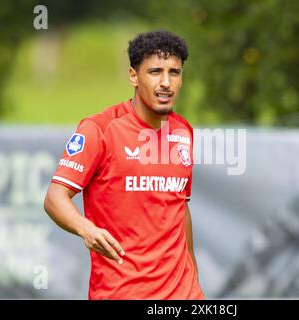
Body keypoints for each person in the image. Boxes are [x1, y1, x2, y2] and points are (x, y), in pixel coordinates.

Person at [44, 30, 205, 300]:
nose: (166, 82)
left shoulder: (183, 132)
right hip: (121, 293)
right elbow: (54, 198)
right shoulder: (99, 129)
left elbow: (180, 205)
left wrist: (195, 278)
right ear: (133, 76)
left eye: (174, 73)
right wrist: (88, 230)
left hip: (184, 295)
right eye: (155, 72)